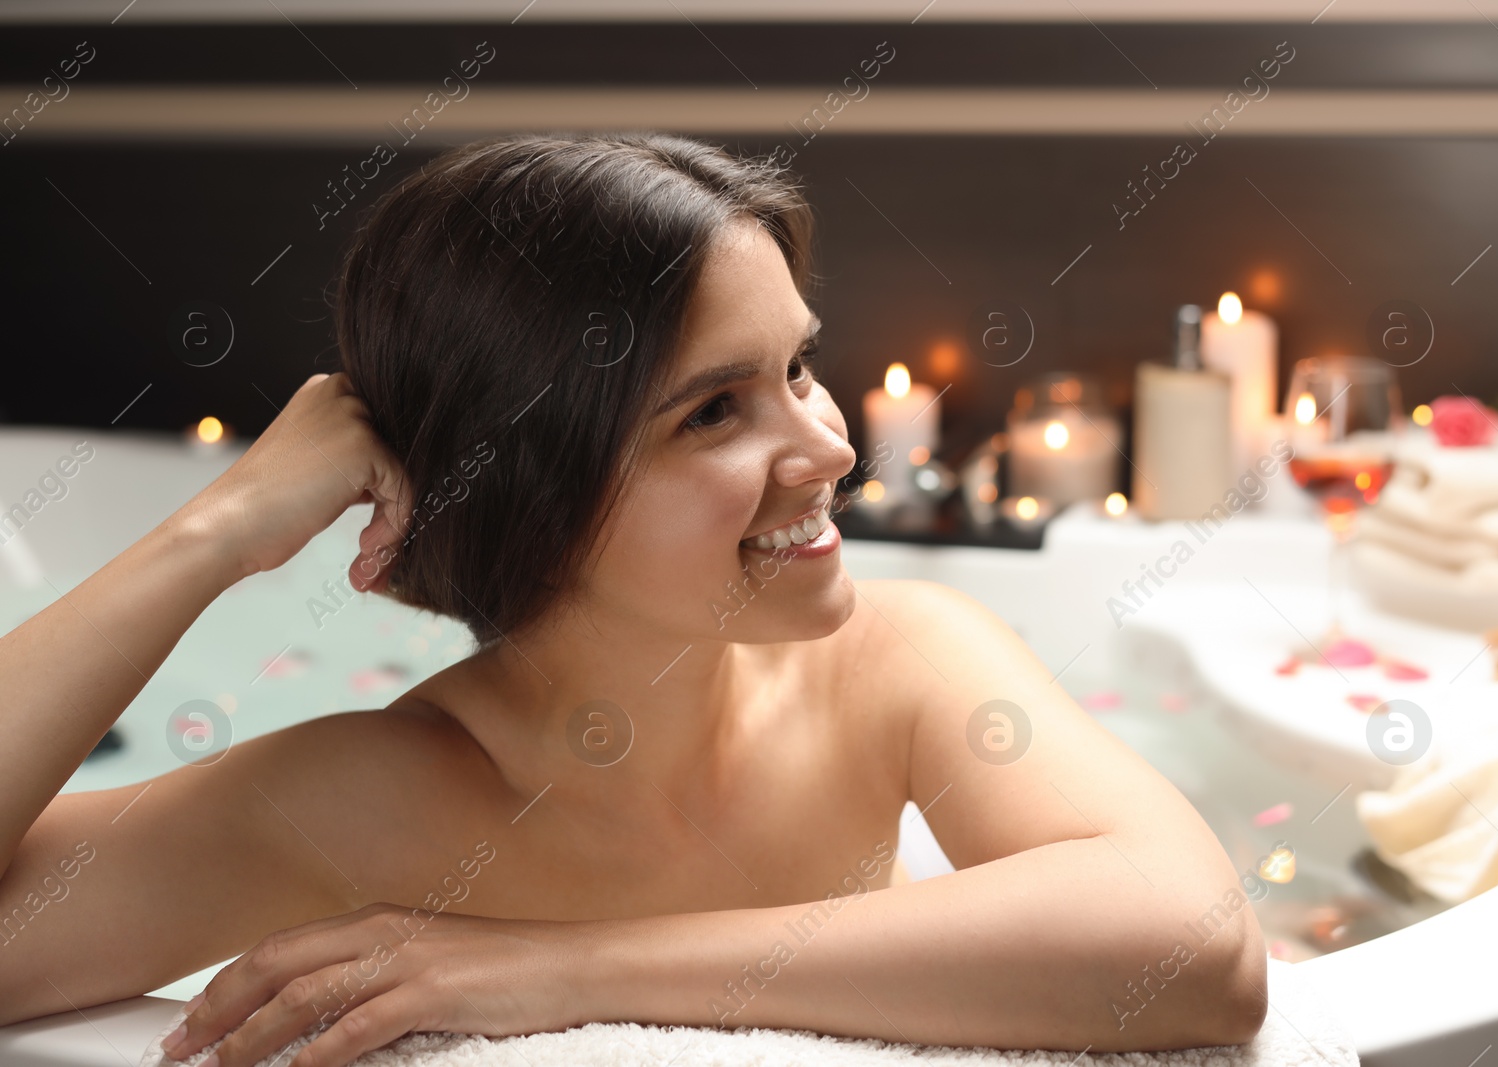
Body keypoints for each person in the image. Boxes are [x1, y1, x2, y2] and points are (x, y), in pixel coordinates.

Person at [0, 132, 1265, 1065]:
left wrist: (559, 970)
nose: (829, 448)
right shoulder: (364, 801)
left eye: (798, 367)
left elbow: (1198, 947)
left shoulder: (900, 660)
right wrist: (210, 533)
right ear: (530, 490)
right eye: (715, 409)